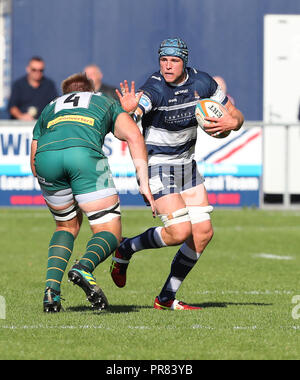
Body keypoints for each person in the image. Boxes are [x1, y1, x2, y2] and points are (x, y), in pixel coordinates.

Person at [110, 38, 244, 310]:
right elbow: (134, 115)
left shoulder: (203, 83)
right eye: (163, 60)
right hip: (158, 165)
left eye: (173, 60)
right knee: (179, 231)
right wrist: (127, 112)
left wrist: (234, 122)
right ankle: (126, 249)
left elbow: (234, 114)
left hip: (187, 165)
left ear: (185, 61)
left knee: (203, 233)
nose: (167, 66)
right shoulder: (154, 88)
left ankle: (166, 298)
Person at [30, 72, 155, 313]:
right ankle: (84, 267)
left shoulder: (50, 108)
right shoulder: (103, 101)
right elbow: (132, 135)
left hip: (46, 159)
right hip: (83, 157)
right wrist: (144, 181)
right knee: (109, 230)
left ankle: (51, 291)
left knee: (65, 226)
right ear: (91, 90)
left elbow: (34, 166)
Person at [8, 56, 58, 120]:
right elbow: (12, 107)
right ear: (28, 69)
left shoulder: (49, 85)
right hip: (21, 125)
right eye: (34, 70)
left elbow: (54, 106)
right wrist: (21, 116)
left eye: (41, 70)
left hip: (42, 125)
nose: (37, 73)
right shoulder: (18, 85)